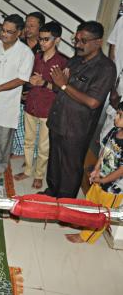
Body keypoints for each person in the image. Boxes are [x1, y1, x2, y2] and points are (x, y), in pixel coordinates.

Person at [45, 21, 117, 198]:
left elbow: (93, 102)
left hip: (76, 127)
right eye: (76, 39)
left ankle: (65, 202)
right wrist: (59, 83)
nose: (78, 44)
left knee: (70, 166)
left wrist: (63, 85)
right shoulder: (76, 59)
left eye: (83, 41)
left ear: (98, 42)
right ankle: (52, 191)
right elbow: (60, 86)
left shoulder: (106, 68)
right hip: (58, 120)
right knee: (54, 161)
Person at [14, 22, 67, 189]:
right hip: (31, 104)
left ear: (57, 40)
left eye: (46, 39)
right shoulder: (36, 57)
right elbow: (30, 78)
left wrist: (44, 83)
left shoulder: (63, 61)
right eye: (40, 39)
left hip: (48, 109)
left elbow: (63, 90)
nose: (42, 43)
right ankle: (28, 170)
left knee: (44, 145)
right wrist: (30, 82)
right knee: (28, 141)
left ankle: (39, 175)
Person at [0, 14, 34, 177]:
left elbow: (21, 79)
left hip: (7, 103)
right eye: (3, 30)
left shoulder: (25, 53)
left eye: (9, 32)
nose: (4, 34)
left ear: (19, 33)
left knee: (4, 139)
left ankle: (0, 164)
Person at [66, 101, 123, 244]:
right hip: (100, 178)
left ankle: (86, 236)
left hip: (113, 188)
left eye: (120, 115)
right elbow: (104, 151)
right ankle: (83, 221)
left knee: (102, 213)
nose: (116, 117)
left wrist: (104, 180)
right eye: (117, 113)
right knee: (90, 202)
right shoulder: (114, 131)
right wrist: (97, 168)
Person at [12, 11, 46, 157]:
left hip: (34, 92)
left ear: (40, 28)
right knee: (16, 124)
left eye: (32, 26)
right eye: (26, 25)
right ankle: (18, 149)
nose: (28, 29)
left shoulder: (44, 47)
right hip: (16, 89)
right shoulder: (18, 44)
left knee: (32, 128)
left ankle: (30, 153)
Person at [100, 15, 123, 140]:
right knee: (111, 124)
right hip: (118, 82)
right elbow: (112, 50)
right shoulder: (122, 21)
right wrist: (112, 84)